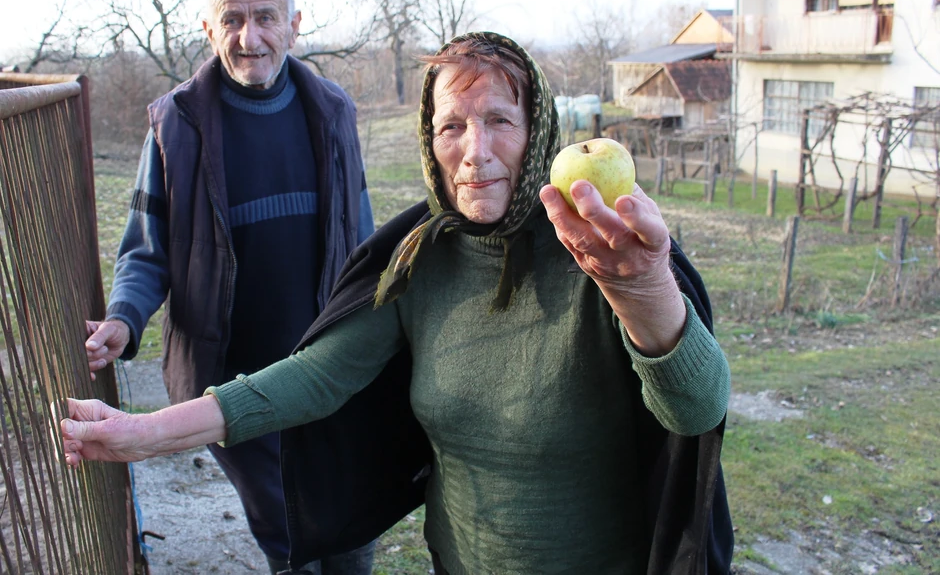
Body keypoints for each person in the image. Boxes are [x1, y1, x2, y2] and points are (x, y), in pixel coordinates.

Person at [65, 31, 734, 574]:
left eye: (500, 120)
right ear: (429, 141)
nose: (475, 153)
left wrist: (642, 290)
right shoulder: (420, 259)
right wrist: (142, 433)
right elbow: (317, 376)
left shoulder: (604, 253)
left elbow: (697, 408)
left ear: (539, 130)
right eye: (452, 127)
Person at [81, 0, 377, 575]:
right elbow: (145, 248)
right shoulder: (176, 125)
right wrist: (124, 319)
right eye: (233, 19)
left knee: (351, 528)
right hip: (227, 381)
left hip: (324, 370)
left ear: (293, 24)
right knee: (288, 531)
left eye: (265, 17)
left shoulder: (332, 113)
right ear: (210, 31)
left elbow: (362, 237)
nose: (251, 37)